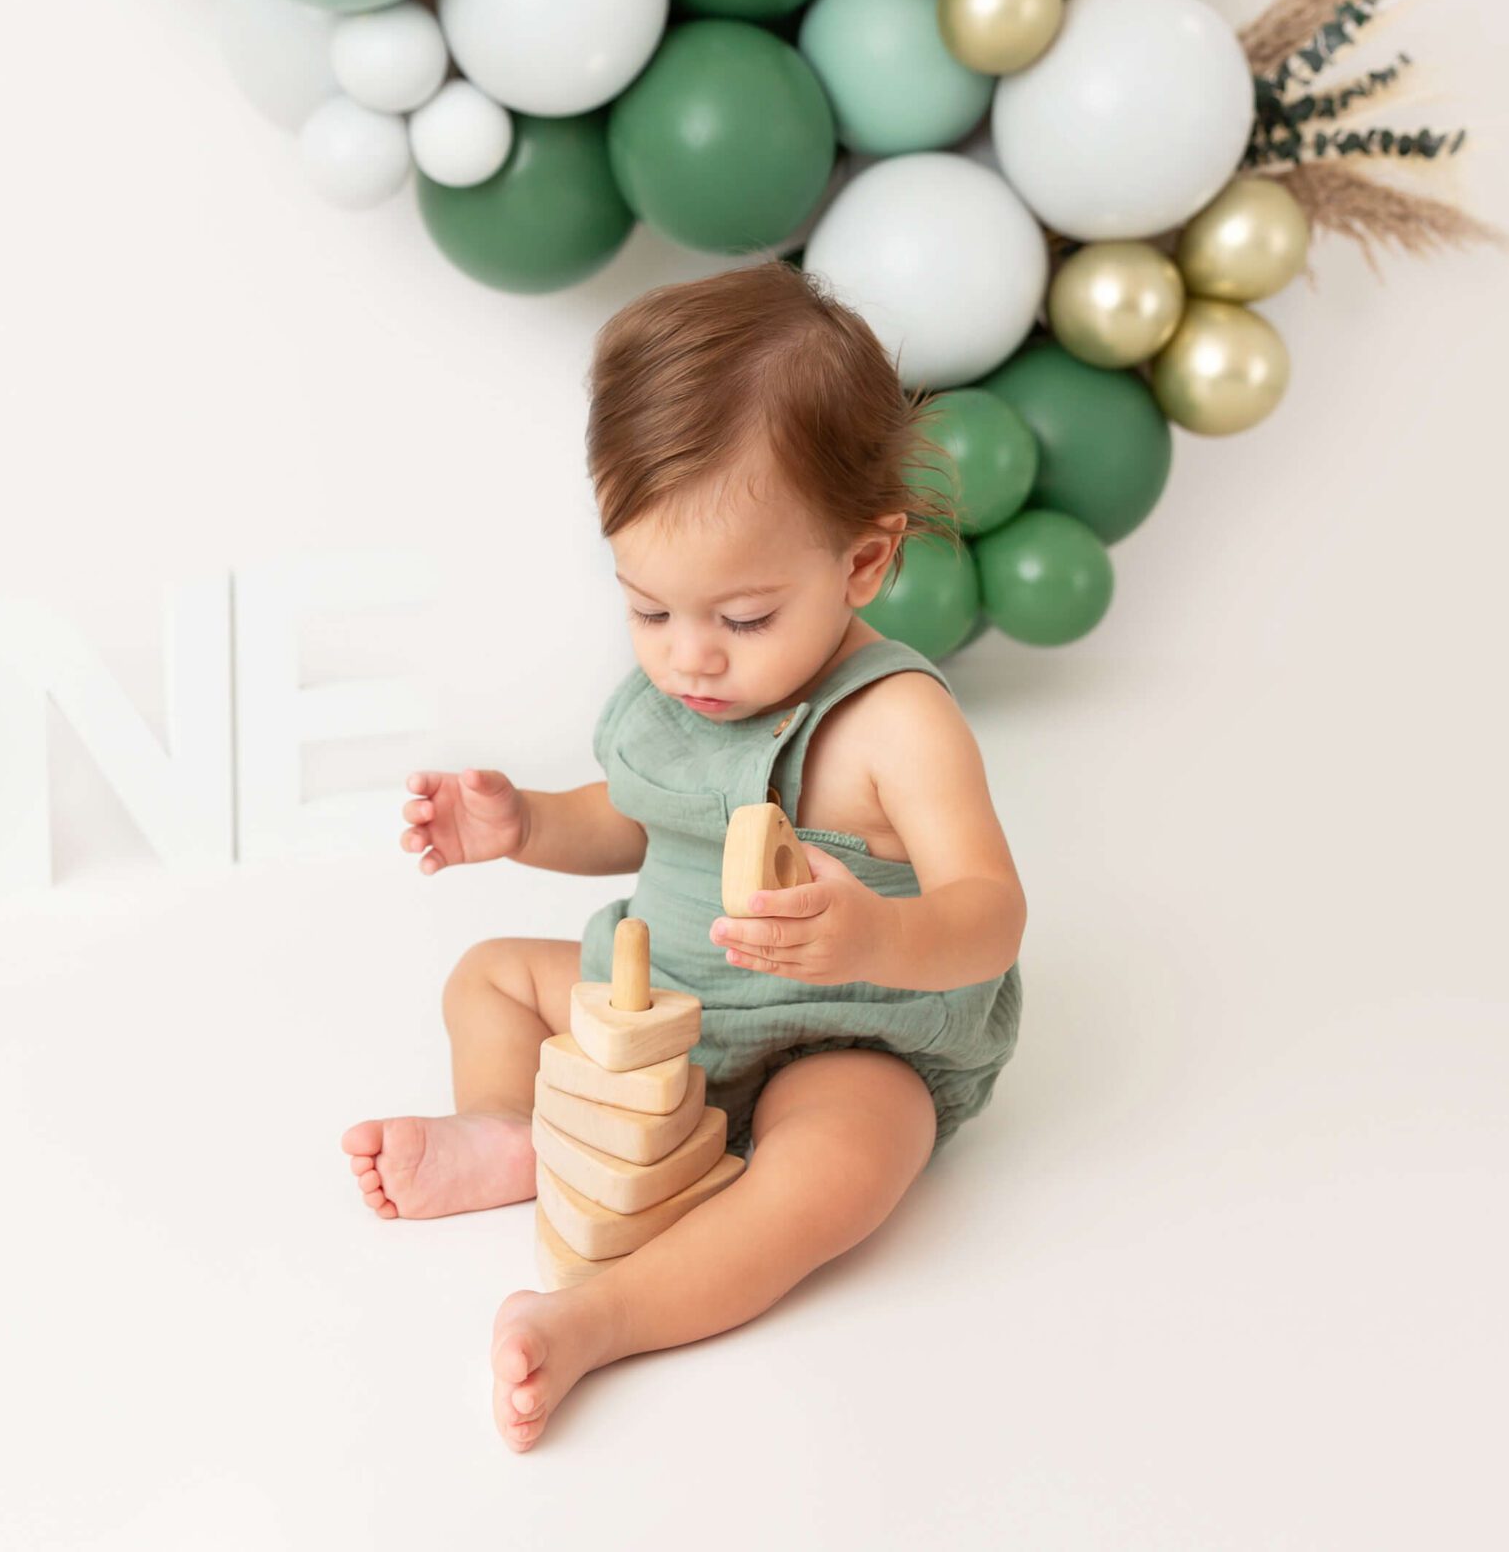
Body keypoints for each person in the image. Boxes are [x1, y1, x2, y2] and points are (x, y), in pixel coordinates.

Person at [341, 261, 1026, 1451]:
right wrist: (525, 824)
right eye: (648, 608)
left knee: (845, 1163)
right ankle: (514, 1135)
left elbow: (990, 908)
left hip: (843, 1027)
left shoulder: (894, 723)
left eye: (743, 617)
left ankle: (599, 1317)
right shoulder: (675, 696)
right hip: (667, 1000)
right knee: (489, 974)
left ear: (861, 564)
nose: (690, 660)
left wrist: (878, 932)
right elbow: (642, 816)